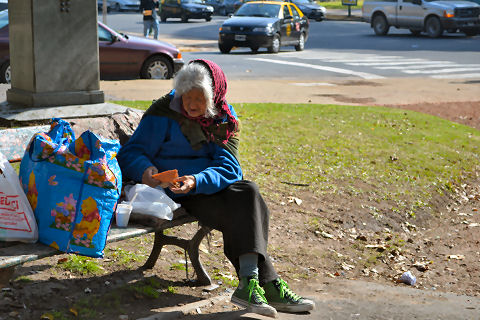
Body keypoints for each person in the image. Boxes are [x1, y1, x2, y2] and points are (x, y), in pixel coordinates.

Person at [117, 59, 315, 317]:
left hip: (203, 184)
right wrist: (146, 170)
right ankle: (264, 283)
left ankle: (250, 283)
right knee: (247, 210)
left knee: (249, 193)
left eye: (200, 98)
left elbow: (230, 169)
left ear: (214, 96)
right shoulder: (163, 111)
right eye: (186, 97)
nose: (191, 105)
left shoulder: (223, 118)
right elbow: (132, 151)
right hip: (171, 192)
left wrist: (196, 180)